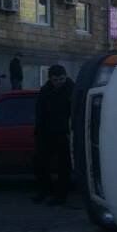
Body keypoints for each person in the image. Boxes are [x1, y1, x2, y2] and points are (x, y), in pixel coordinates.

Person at [33, 65, 75, 205]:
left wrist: (71, 131)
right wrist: (38, 131)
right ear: (50, 79)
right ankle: (44, 191)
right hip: (46, 133)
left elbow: (76, 113)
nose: (59, 82)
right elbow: (40, 112)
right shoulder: (45, 90)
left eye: (61, 79)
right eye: (56, 79)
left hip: (64, 133)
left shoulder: (72, 90)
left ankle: (60, 196)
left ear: (65, 76)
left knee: (64, 167)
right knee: (40, 164)